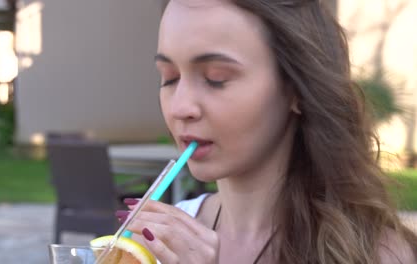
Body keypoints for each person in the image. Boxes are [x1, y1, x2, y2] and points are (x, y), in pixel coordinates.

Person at [118, 0, 417, 263]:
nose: (180, 107)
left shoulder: (378, 254)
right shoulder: (155, 245)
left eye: (216, 79)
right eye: (170, 78)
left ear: (296, 89)